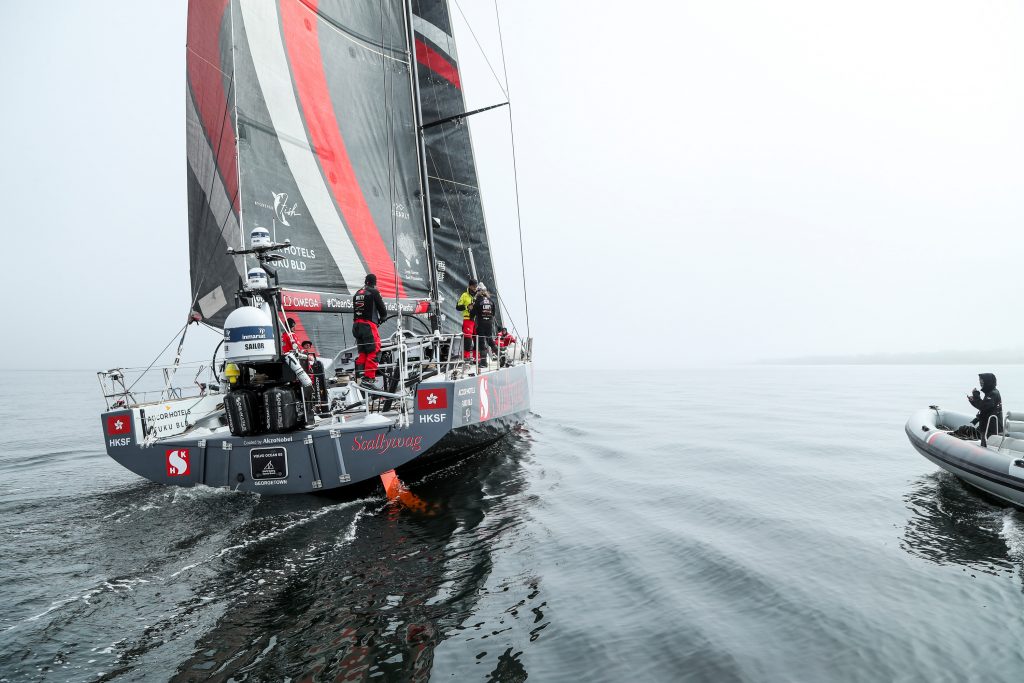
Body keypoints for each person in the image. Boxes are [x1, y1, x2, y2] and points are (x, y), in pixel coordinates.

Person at [352, 273, 388, 389]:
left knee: (363, 353)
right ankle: (368, 379)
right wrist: (383, 317)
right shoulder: (374, 292)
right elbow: (382, 309)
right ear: (374, 282)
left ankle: (359, 378)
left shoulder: (357, 293)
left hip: (356, 326)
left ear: (365, 281)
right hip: (368, 326)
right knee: (374, 351)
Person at [968, 372, 1003, 446]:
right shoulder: (991, 393)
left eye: (982, 380)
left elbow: (983, 406)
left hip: (991, 428)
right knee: (984, 445)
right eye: (979, 380)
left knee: (987, 446)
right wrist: (973, 401)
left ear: (988, 381)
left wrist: (976, 394)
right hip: (987, 426)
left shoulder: (993, 393)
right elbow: (983, 407)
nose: (980, 382)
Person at [471, 285, 498, 368]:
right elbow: (493, 313)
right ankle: (500, 354)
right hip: (489, 323)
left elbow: (473, 313)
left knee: (481, 342)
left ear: (478, 291)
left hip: (481, 323)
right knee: (489, 339)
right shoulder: (490, 300)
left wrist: (470, 310)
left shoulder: (478, 300)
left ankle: (483, 362)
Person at [456, 278, 478, 361]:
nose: (475, 288)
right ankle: (466, 357)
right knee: (468, 339)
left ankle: (477, 358)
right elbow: (458, 307)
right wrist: (467, 307)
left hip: (476, 320)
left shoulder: (478, 295)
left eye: (476, 286)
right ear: (469, 286)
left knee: (477, 339)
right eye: (473, 286)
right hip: (468, 319)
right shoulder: (464, 295)